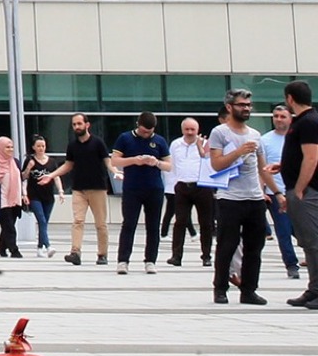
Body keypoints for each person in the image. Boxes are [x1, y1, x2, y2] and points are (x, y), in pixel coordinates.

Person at [207, 89, 278, 305]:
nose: (246, 108)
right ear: (230, 107)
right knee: (227, 245)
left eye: (248, 105)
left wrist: (276, 192)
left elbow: (262, 168)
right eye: (241, 105)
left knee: (254, 247)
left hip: (255, 198)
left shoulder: (255, 135)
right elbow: (216, 164)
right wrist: (238, 152)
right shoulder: (220, 132)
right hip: (230, 198)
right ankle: (220, 288)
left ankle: (249, 290)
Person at [109, 112, 170, 275]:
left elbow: (169, 165)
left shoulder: (159, 141)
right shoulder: (125, 138)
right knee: (129, 224)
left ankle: (150, 260)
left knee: (153, 226)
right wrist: (134, 160)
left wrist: (156, 162)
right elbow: (114, 160)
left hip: (154, 188)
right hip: (132, 188)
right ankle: (123, 260)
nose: (146, 135)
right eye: (143, 131)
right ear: (138, 125)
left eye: (149, 132)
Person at [279, 81, 318, 307]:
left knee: (313, 242)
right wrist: (282, 166)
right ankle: (313, 289)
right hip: (299, 187)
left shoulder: (309, 122)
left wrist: (301, 188)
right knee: (308, 241)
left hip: (307, 191)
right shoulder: (303, 121)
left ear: (290, 99)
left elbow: (312, 157)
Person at [60, 112, 111, 267]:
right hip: (79, 189)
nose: (76, 127)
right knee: (78, 221)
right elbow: (68, 165)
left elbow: (108, 162)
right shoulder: (72, 145)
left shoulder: (98, 143)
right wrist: (51, 175)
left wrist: (115, 171)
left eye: (79, 124)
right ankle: (75, 252)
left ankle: (102, 254)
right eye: (74, 124)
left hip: (97, 188)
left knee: (100, 223)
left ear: (87, 125)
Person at [166, 116, 217, 269]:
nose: (189, 132)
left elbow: (210, 162)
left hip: (202, 186)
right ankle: (176, 256)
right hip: (182, 186)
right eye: (187, 129)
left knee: (206, 223)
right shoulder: (176, 144)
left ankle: (206, 256)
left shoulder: (206, 144)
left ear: (198, 130)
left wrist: (201, 148)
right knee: (180, 221)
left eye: (192, 129)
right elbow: (172, 165)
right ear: (182, 130)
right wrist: (173, 185)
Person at [259, 104, 301, 282]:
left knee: (301, 231)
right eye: (276, 116)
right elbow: (262, 168)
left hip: (299, 192)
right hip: (277, 192)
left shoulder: (297, 138)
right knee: (283, 231)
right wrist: (262, 191)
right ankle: (291, 265)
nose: (278, 119)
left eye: (282, 116)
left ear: (290, 118)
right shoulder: (265, 140)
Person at [21, 135, 57, 258]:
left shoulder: (51, 161)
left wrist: (61, 191)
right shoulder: (30, 160)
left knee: (44, 223)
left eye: (43, 146)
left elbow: (56, 176)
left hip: (49, 196)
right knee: (41, 220)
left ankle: (39, 248)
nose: (41, 148)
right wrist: (29, 168)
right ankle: (48, 246)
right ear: (33, 147)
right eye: (38, 146)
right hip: (34, 195)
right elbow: (24, 177)